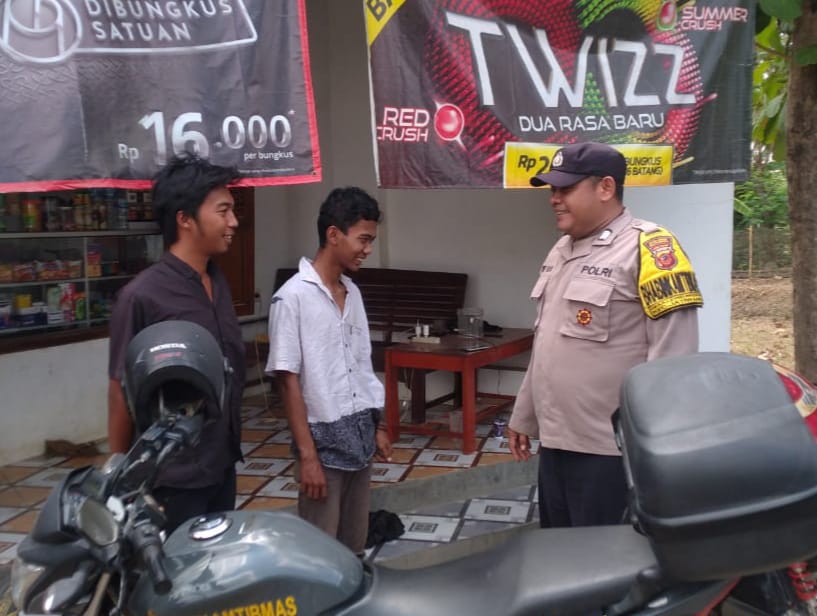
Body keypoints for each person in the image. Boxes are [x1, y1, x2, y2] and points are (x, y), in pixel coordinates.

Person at [507, 142, 702, 528]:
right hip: (557, 444)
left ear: (606, 188)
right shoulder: (561, 250)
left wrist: (654, 452)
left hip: (611, 453)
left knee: (606, 557)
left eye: (566, 189)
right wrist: (523, 416)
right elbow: (547, 343)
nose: (554, 199)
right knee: (562, 551)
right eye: (552, 190)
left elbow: (673, 362)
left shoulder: (650, 248)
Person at [107, 153, 246, 532]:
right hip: (173, 479)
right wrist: (119, 477)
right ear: (185, 219)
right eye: (223, 211)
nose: (233, 221)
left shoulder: (217, 280)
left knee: (216, 562)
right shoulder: (141, 296)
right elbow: (120, 390)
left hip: (221, 464)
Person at [266, 186, 392, 556]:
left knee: (353, 547)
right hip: (321, 449)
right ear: (333, 234)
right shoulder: (292, 298)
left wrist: (378, 426)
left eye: (371, 241)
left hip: (359, 440)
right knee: (320, 555)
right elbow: (287, 381)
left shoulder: (353, 293)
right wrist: (308, 457)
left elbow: (362, 365)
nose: (368, 250)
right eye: (363, 239)